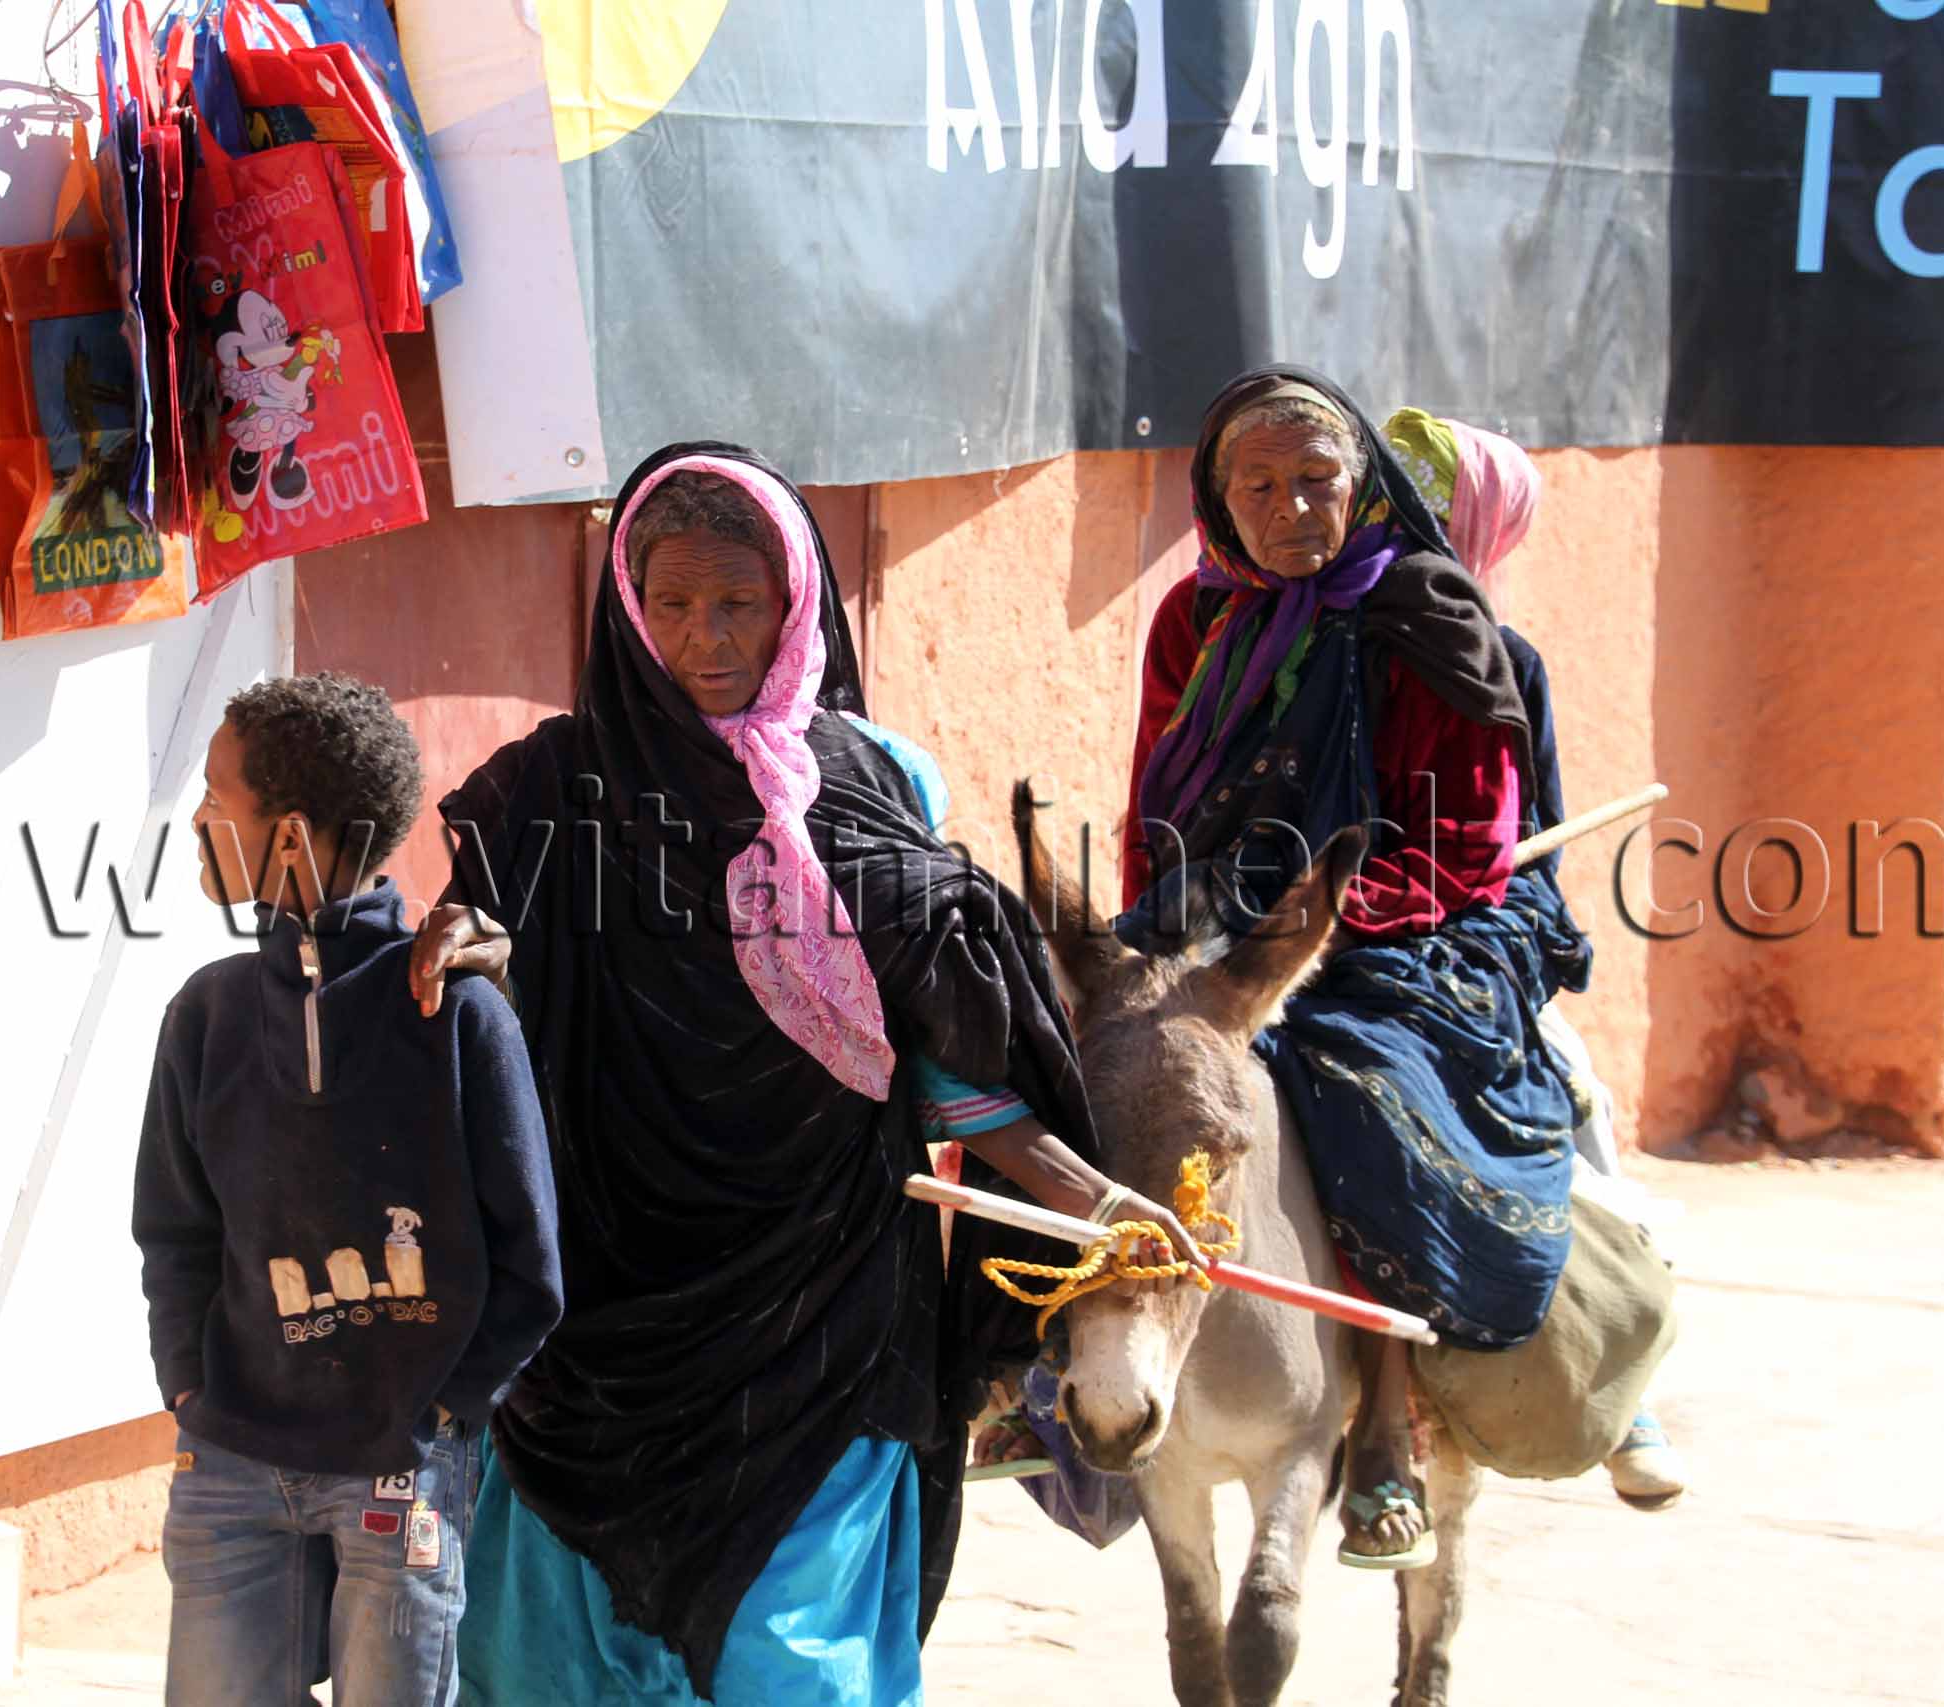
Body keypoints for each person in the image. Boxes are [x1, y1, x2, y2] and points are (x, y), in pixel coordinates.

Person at [408, 443, 1204, 1705]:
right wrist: (476, 952)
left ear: (798, 609)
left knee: (792, 1657)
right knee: (559, 1656)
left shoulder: (880, 781)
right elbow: (490, 981)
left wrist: (1082, 1195)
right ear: (626, 603)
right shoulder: (547, 796)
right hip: (604, 1312)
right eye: (669, 602)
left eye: (738, 604)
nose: (702, 637)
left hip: (821, 1301)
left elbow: (940, 1040)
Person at [1117, 367, 1586, 1571]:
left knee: (1347, 1082)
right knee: (1099, 1064)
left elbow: (1466, 843)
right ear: (1219, 503)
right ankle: (1049, 1362)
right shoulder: (1193, 620)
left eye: (1316, 480)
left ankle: (1382, 1415)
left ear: (1361, 480)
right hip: (1214, 908)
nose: (1290, 508)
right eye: (1258, 486)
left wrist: (1303, 925)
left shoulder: (1430, 616)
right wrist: (1171, 923)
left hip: (1401, 925)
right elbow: (1157, 797)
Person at [133, 674, 565, 1707]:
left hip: (399, 1466)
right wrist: (190, 1387)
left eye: (214, 794)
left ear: (285, 835)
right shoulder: (210, 1016)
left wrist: (446, 1415)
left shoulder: (457, 1016)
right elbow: (175, 1229)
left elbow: (528, 1264)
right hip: (232, 1462)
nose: (195, 817)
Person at [1382, 404, 1692, 1511]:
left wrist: (1452, 915)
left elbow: (1532, 848)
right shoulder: (1301, 634)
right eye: (1386, 493)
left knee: (1561, 1093)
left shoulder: (1505, 661)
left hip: (1455, 926)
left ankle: (1618, 1376)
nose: (1390, 519)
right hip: (1294, 917)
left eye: (1420, 501)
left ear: (1475, 527)